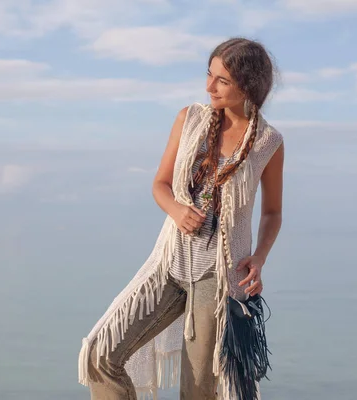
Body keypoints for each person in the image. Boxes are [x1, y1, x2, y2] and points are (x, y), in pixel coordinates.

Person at [78, 37, 285, 400]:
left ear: (248, 84)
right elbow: (159, 184)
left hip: (218, 279)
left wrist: (260, 257)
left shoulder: (268, 141)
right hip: (169, 265)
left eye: (222, 80)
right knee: (100, 353)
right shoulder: (189, 119)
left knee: (199, 389)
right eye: (209, 75)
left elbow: (272, 212)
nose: (209, 86)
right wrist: (176, 209)